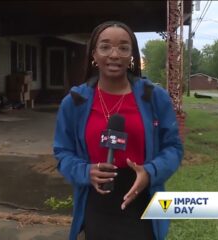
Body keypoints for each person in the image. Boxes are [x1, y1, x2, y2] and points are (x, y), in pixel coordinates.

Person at [53, 20, 183, 240]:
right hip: (97, 201)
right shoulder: (75, 101)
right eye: (105, 47)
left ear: (132, 55)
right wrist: (86, 172)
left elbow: (174, 148)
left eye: (123, 47)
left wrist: (150, 172)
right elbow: (62, 153)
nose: (114, 54)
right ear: (93, 54)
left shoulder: (153, 97)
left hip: (143, 198)